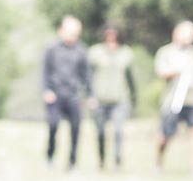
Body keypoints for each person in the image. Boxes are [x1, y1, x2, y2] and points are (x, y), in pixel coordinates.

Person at [154, 21, 193, 172]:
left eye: (192, 34)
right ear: (176, 33)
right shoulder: (166, 52)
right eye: (186, 33)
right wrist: (178, 69)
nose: (189, 37)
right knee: (165, 135)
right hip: (173, 99)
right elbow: (161, 72)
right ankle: (159, 162)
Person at [42, 15, 93, 170]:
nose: (73, 36)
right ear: (61, 31)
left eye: (76, 33)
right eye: (71, 32)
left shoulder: (81, 50)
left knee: (76, 128)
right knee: (53, 126)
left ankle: (72, 162)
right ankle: (50, 157)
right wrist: (46, 90)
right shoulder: (51, 49)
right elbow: (44, 72)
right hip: (55, 94)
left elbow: (86, 75)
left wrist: (91, 95)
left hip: (73, 95)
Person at [87, 25, 137, 169]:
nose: (111, 37)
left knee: (118, 131)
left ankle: (117, 160)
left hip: (120, 99)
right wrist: (89, 96)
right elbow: (88, 76)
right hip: (99, 99)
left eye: (114, 34)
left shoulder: (126, 53)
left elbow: (130, 78)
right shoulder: (95, 52)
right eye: (108, 34)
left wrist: (134, 97)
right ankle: (102, 159)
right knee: (100, 132)